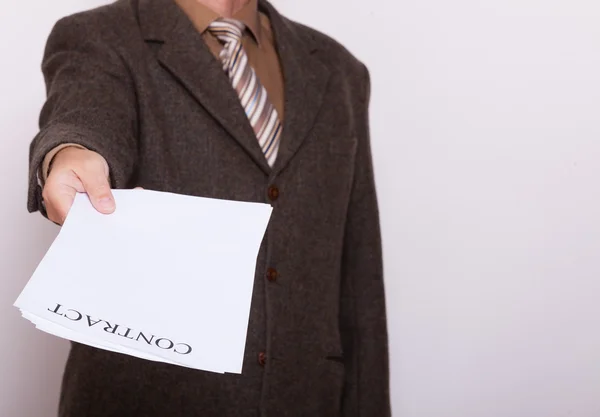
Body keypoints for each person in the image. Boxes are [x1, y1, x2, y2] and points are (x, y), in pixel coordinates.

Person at [27, 0, 390, 415]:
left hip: (307, 397)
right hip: (150, 399)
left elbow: (359, 268)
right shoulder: (100, 35)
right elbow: (85, 113)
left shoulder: (340, 70)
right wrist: (71, 152)